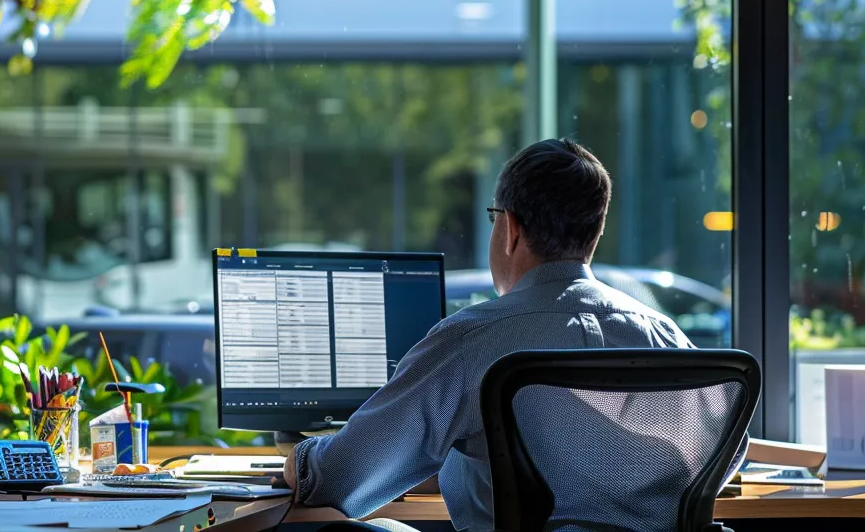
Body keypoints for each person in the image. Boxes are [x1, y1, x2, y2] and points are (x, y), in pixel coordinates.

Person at [282, 138, 706, 532]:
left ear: (512, 229)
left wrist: (298, 461)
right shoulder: (663, 334)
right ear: (596, 229)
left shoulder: (471, 340)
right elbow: (715, 459)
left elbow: (338, 481)